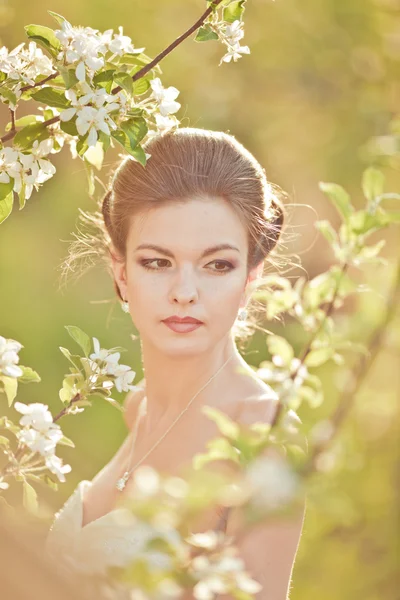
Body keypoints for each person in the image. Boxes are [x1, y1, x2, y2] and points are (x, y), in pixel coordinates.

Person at [47, 128, 306, 599]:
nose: (184, 292)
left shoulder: (261, 436)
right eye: (157, 262)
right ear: (121, 273)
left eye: (217, 265)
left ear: (251, 278)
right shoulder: (137, 407)